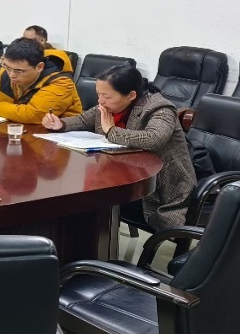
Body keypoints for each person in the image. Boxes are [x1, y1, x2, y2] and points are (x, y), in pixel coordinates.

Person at [42, 65, 196, 230]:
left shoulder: (160, 108)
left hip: (158, 190)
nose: (100, 101)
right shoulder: (109, 105)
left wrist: (111, 131)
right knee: (78, 196)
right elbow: (84, 120)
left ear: (131, 95)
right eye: (98, 94)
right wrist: (60, 124)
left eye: (106, 96)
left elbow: (153, 139)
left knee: (87, 202)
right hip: (123, 175)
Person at [0, 38, 81, 124]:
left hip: (54, 137)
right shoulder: (6, 72)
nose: (12, 75)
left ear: (39, 67)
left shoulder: (61, 82)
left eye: (19, 71)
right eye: (7, 67)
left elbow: (33, 115)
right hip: (13, 129)